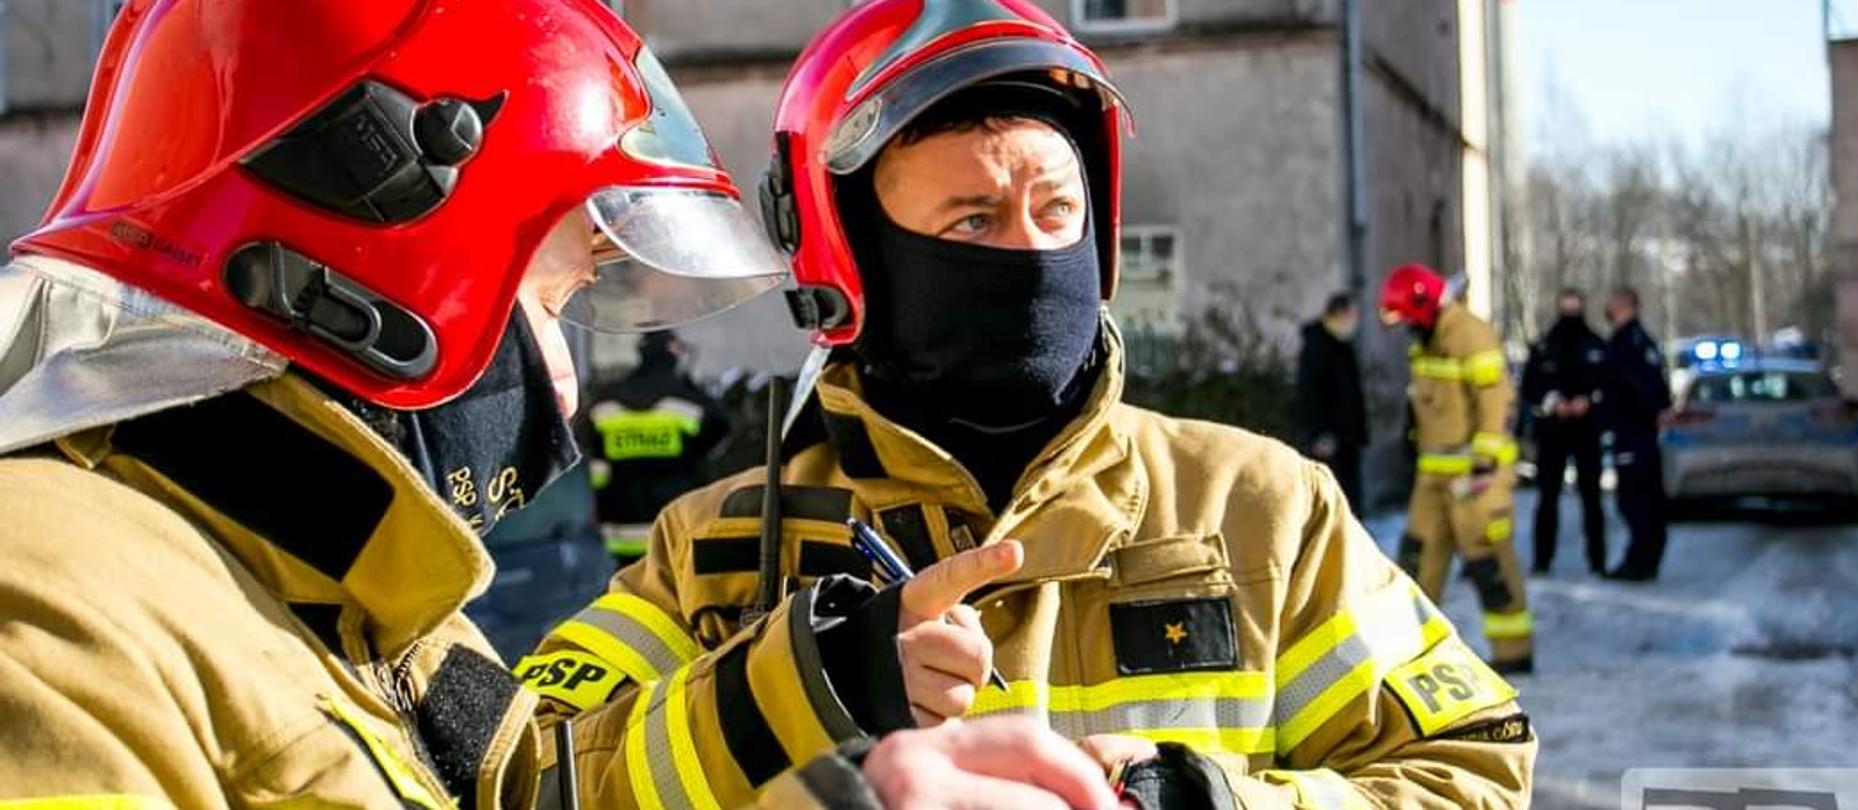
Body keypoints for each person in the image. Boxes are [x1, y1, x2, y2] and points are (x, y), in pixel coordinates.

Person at [0, 2, 1119, 807]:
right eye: (560, 297)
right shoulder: (48, 612)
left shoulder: (333, 596)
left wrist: (834, 672)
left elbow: (541, 784)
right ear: (378, 290)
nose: (569, 379)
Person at [521, 2, 1536, 807]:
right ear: (850, 258)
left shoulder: (1263, 509)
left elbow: (1475, 768)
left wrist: (1207, 802)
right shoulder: (714, 550)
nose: (1030, 254)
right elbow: (524, 781)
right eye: (970, 222)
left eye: (1057, 211)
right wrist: (801, 688)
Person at [1377, 264, 1534, 675]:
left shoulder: (1469, 333)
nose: (1407, 330)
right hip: (1434, 475)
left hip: (1476, 475)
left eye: (1409, 320)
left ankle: (1512, 652)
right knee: (1416, 559)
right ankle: (1408, 655)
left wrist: (1485, 460)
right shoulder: (1426, 339)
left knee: (1487, 562)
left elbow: (1496, 400)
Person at [586, 330, 732, 565]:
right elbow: (720, 434)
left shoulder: (606, 403)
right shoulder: (686, 399)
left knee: (629, 593)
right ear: (672, 353)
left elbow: (598, 471)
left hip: (623, 529)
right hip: (678, 524)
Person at [1520, 289, 1608, 575]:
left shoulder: (1595, 345)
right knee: (1547, 497)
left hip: (1586, 430)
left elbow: (1607, 387)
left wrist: (1589, 401)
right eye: (1566, 307)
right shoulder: (1545, 346)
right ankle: (1542, 560)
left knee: (1591, 498)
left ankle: (1598, 560)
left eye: (1575, 307)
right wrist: (1552, 401)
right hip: (1553, 430)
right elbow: (1530, 388)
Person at [1601, 286, 1672, 582]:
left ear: (1624, 305)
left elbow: (1636, 386)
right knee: (1644, 497)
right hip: (1638, 429)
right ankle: (1646, 558)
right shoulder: (1641, 340)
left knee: (1635, 499)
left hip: (1633, 430)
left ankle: (1640, 560)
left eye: (1612, 302)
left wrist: (1638, 413)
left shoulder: (1628, 342)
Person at [1295, 292, 1370, 511]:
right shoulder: (1318, 348)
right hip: (1328, 442)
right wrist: (1318, 434)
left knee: (1350, 496)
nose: (1354, 321)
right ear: (1339, 314)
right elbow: (1310, 395)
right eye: (1351, 315)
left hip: (1347, 438)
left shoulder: (1341, 346)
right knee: (1332, 497)